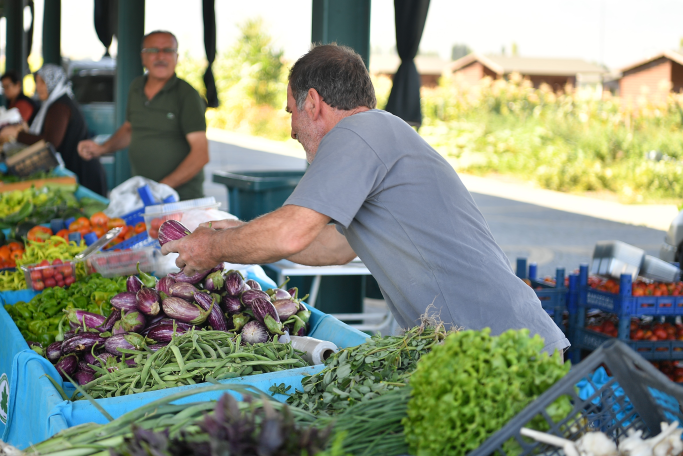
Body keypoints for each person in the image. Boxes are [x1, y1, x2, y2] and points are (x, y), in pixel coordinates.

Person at [161, 45, 569, 354]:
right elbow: (333, 246)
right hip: (490, 342)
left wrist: (212, 247)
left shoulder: (356, 135)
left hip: (499, 344)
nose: (291, 130)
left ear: (313, 103)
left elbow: (290, 234)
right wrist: (241, 232)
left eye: (290, 112)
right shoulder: (377, 134)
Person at [77, 30, 208, 201]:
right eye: (153, 50)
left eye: (168, 50)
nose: (161, 56)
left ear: (176, 57)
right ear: (143, 57)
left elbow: (200, 154)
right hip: (144, 195)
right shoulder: (136, 87)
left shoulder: (187, 95)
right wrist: (102, 148)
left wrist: (161, 188)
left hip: (179, 199)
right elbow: (130, 129)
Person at [0, 65, 107, 196]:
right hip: (76, 169)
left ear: (53, 82)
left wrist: (18, 135)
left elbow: (51, 141)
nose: (38, 87)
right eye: (37, 82)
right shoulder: (53, 103)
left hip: (84, 173)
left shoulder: (60, 106)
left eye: (43, 82)